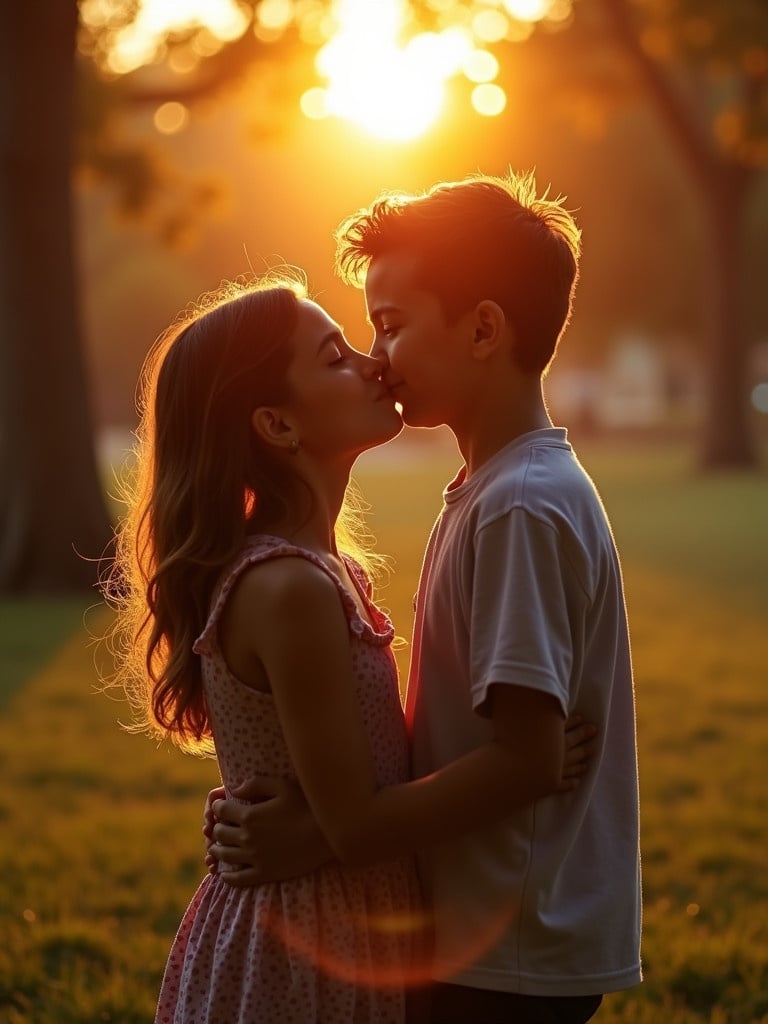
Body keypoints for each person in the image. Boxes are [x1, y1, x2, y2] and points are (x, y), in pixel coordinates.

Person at [205, 171, 642, 1024]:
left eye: (391, 326)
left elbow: (526, 757)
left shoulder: (519, 504)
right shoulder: (491, 490)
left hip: (509, 945)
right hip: (485, 931)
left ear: (482, 328)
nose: (376, 357)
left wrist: (321, 834)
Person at [105, 272, 594, 1024]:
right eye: (335, 357)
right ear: (277, 426)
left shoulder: (328, 575)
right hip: (304, 945)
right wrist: (527, 766)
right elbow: (355, 825)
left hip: (347, 919)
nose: (373, 362)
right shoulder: (288, 590)